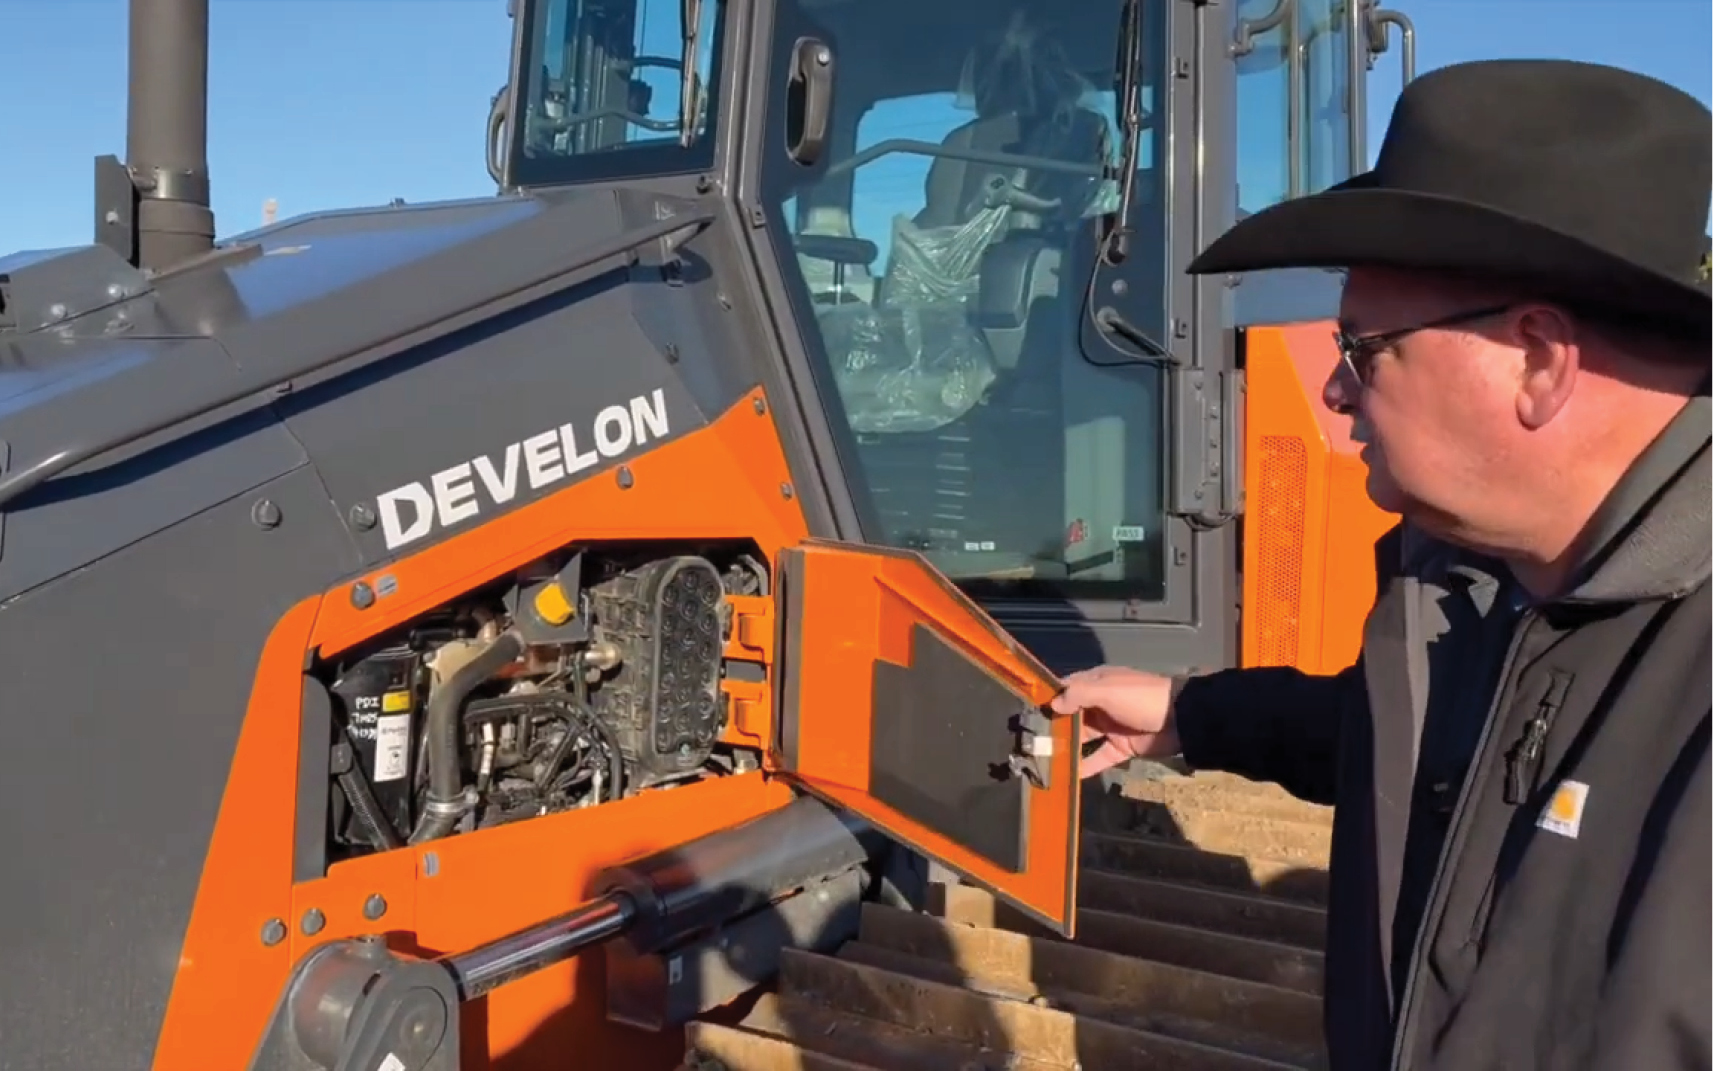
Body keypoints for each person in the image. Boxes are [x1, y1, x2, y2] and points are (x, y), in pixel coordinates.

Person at [1052, 59, 1711, 1070]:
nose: (1332, 390)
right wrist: (1194, 714)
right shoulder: (1482, 578)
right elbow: (1456, 754)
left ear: (1539, 359)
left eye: (1363, 349)